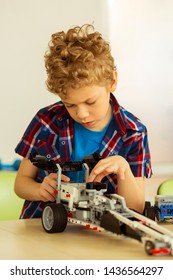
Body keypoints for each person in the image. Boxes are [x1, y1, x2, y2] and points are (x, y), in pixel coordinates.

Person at [14, 24, 152, 219]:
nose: (82, 114)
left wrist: (123, 168)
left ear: (112, 82)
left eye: (90, 102)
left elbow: (136, 208)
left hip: (99, 234)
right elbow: (21, 183)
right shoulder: (46, 121)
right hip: (45, 226)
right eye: (70, 105)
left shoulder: (133, 132)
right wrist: (39, 190)